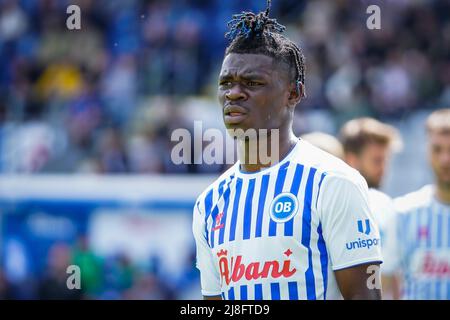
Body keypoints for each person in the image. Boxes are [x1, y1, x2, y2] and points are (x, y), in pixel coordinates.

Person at [192, 0, 382, 300]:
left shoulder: (332, 182)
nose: (234, 93)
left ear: (293, 93)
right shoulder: (210, 203)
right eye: (226, 83)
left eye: (252, 82)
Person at [383, 109, 450, 299]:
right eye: (438, 149)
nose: (445, 159)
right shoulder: (402, 212)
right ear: (428, 151)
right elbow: (384, 284)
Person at [339, 117, 402, 299]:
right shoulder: (332, 204)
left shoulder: (386, 205)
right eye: (377, 160)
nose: (383, 168)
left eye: (385, 160)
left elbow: (393, 273)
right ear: (352, 160)